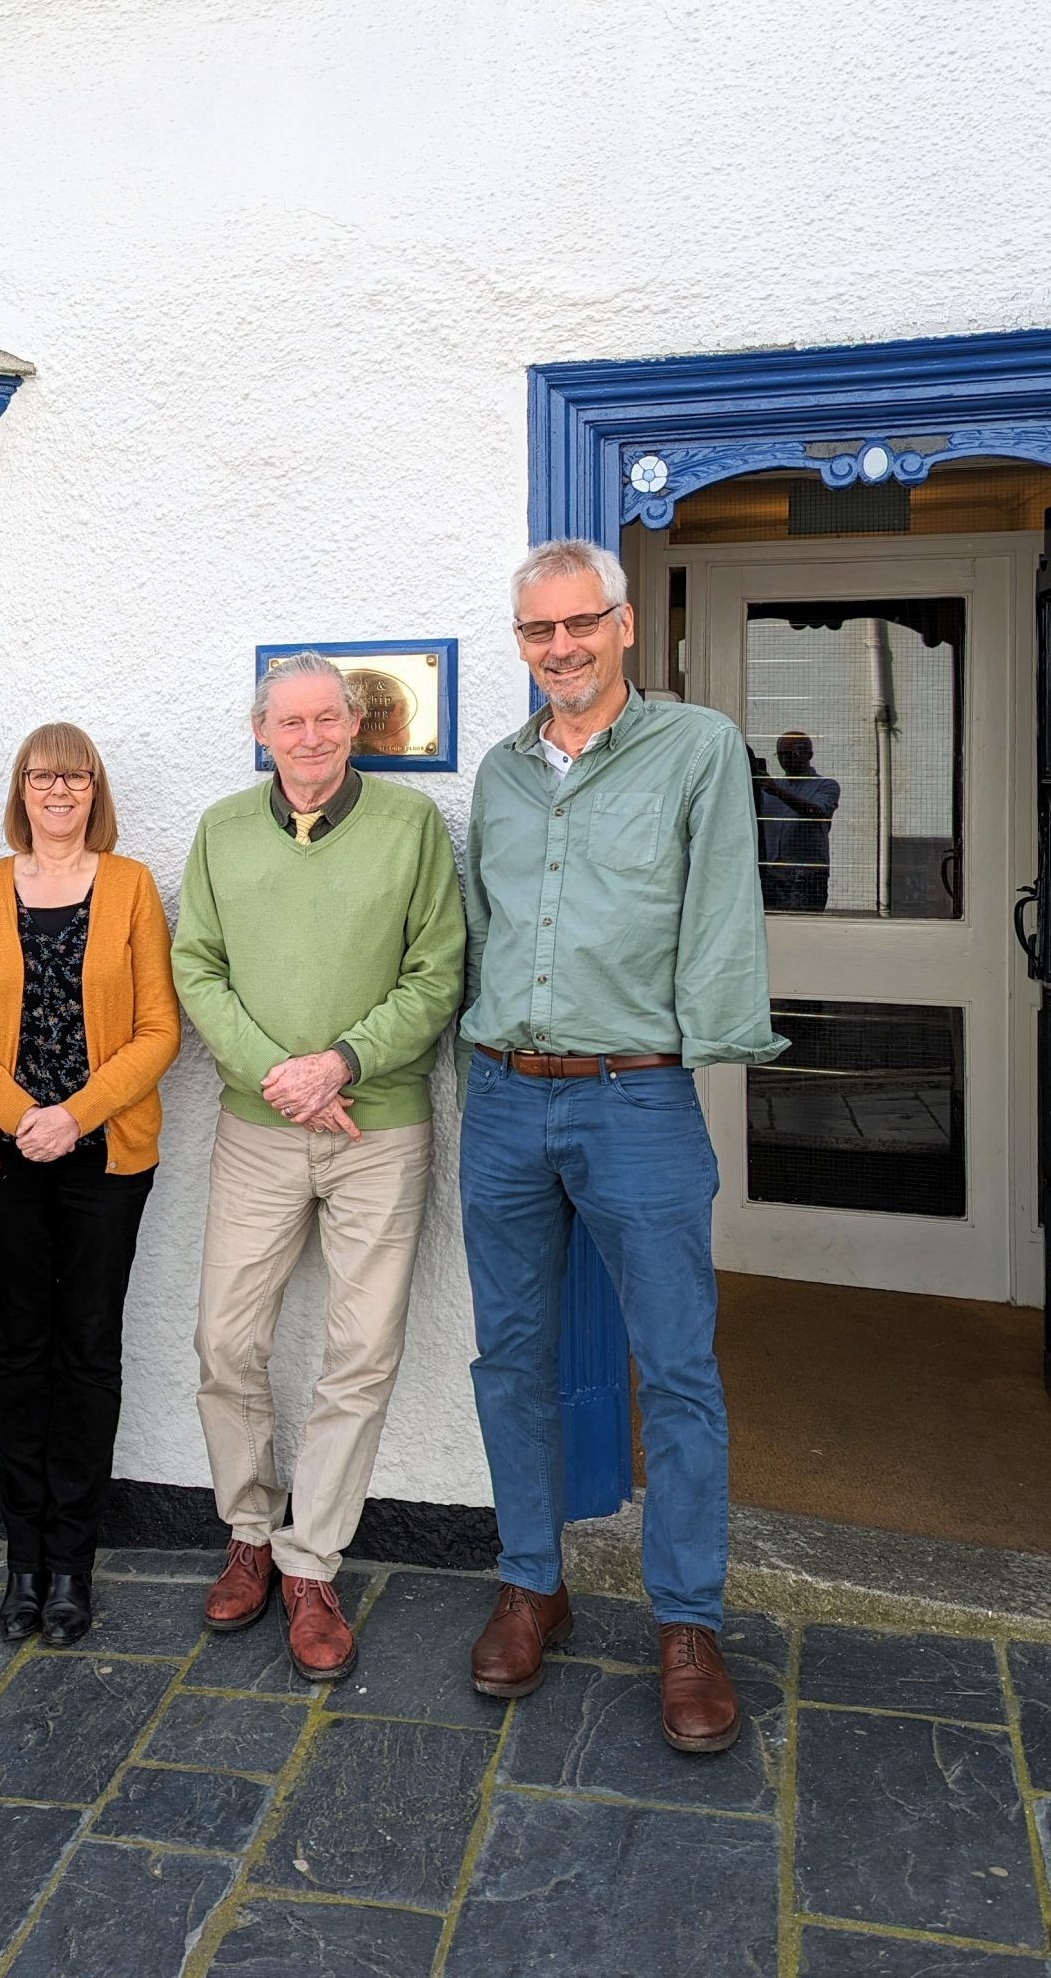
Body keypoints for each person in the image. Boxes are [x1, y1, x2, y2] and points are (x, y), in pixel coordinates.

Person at [458, 539, 781, 1755]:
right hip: (503, 1099)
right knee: (510, 1358)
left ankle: (687, 1622)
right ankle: (530, 1583)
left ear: (624, 624)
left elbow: (723, 910)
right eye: (538, 630)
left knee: (679, 1369)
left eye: (579, 623)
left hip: (635, 1098)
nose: (561, 648)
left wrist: (711, 1044)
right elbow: (483, 930)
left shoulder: (696, 748)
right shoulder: (499, 773)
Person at [172, 652, 465, 1681]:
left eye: (326, 719)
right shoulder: (220, 830)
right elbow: (196, 967)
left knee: (361, 1350)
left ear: (354, 725)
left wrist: (340, 1063)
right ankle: (248, 1532)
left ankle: (310, 1563)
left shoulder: (410, 827)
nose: (309, 738)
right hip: (258, 1128)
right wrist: (280, 1076)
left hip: (378, 1130)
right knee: (225, 1338)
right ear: (262, 731)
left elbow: (437, 972)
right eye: (289, 722)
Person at [0, 723, 181, 1647]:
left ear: (95, 790)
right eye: (43, 776)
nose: (60, 791)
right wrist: (16, 1113)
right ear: (22, 790)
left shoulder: (131, 886)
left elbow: (159, 1029)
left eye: (76, 777)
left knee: (89, 1349)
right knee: (22, 1350)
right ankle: (23, 1560)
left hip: (104, 1155)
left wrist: (73, 1114)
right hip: (2, 1158)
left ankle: (73, 1562)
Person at [754, 731, 840, 912]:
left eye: (792, 754)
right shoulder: (768, 789)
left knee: (804, 924)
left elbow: (818, 812)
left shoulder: (826, 785)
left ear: (809, 755)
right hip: (773, 875)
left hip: (807, 876)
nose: (785, 759)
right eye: (781, 754)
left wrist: (777, 791)